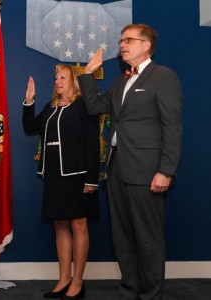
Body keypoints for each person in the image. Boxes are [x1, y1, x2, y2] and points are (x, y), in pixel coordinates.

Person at [79, 24, 183, 299]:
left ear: (146, 45)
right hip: (117, 171)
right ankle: (129, 292)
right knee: (123, 239)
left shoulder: (163, 77)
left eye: (128, 40)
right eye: (121, 40)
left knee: (148, 240)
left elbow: (173, 127)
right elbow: (94, 107)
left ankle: (151, 295)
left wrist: (166, 170)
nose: (122, 44)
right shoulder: (121, 80)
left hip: (147, 172)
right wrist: (87, 74)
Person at [22, 64, 100, 300]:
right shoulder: (50, 107)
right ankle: (64, 278)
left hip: (79, 176)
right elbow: (29, 127)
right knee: (60, 226)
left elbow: (93, 144)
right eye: (56, 77)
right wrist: (29, 101)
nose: (57, 81)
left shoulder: (83, 107)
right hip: (54, 176)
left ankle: (78, 281)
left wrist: (92, 180)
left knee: (78, 225)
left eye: (63, 77)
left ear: (73, 81)